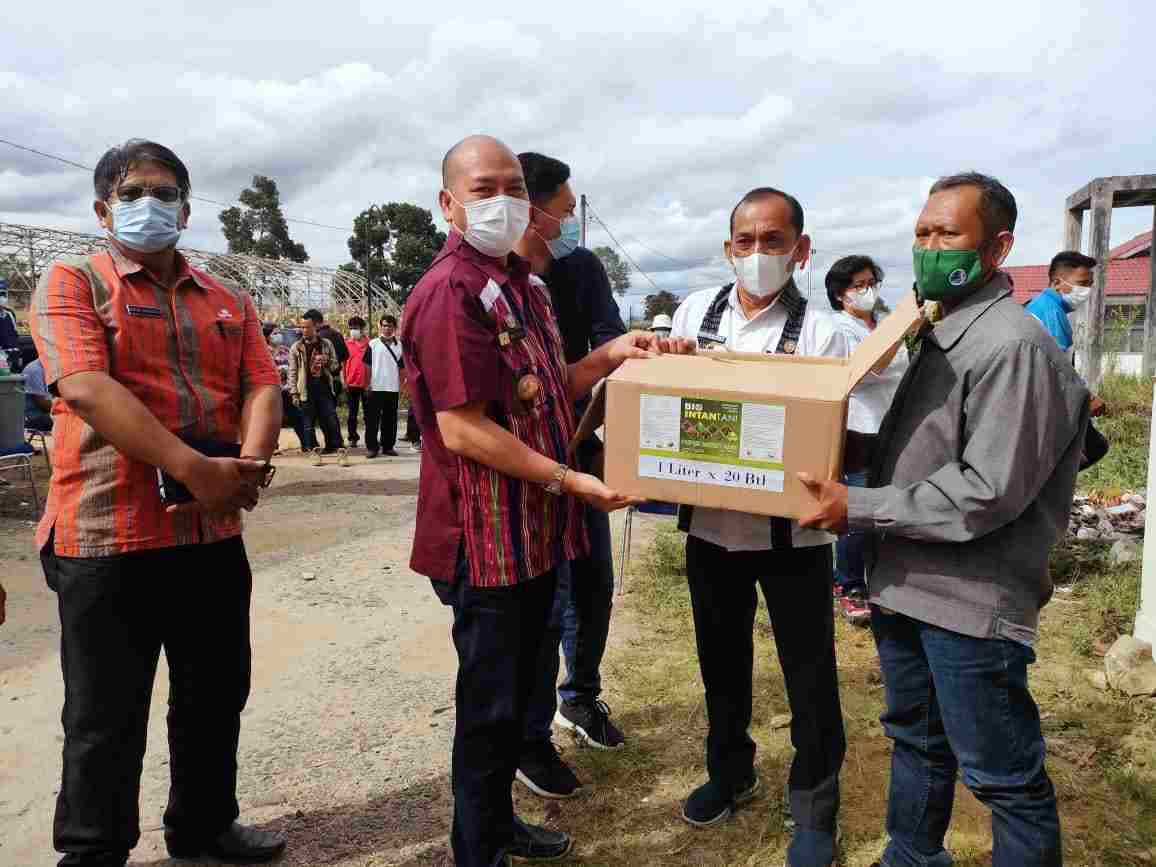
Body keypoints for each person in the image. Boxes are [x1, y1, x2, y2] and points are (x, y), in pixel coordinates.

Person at [402, 134, 684, 867]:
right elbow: (463, 428)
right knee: (489, 709)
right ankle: (479, 851)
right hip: (484, 538)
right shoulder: (447, 292)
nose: (501, 200)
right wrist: (569, 480)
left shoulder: (521, 284)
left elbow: (546, 384)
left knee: (521, 694)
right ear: (449, 203)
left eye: (512, 187)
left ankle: (498, 824)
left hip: (531, 533)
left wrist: (612, 355)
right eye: (483, 186)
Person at [800, 172, 1090, 867]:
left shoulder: (1010, 344)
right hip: (905, 582)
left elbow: (987, 489)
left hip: (968, 603)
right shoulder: (937, 330)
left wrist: (856, 506)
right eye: (922, 233)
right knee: (918, 741)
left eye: (947, 234)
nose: (928, 247)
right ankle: (912, 855)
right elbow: (930, 447)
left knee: (1001, 774)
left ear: (997, 248)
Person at [30, 139, 285, 867]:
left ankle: (204, 827)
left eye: (166, 192)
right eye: (135, 191)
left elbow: (262, 381)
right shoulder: (73, 281)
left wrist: (250, 462)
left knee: (214, 693)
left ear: (186, 205)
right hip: (107, 536)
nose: (152, 204)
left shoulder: (226, 296)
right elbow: (84, 385)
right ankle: (92, 851)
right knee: (104, 714)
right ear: (104, 207)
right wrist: (190, 465)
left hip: (209, 533)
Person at [667, 187, 849, 867]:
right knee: (720, 661)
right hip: (711, 531)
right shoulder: (694, 312)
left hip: (793, 540)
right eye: (744, 241)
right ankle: (730, 770)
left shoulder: (827, 332)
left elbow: (842, 434)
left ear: (800, 249)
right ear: (727, 249)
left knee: (809, 675)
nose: (757, 253)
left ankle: (814, 806)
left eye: (773, 241)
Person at [512, 151, 629, 803]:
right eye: (564, 208)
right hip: (523, 466)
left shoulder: (581, 270)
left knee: (593, 582)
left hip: (579, 449)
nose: (571, 219)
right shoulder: (493, 280)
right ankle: (528, 736)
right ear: (533, 209)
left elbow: (607, 351)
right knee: (544, 602)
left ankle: (579, 698)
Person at [825, 255, 907, 626]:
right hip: (859, 428)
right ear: (841, 294)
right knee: (856, 509)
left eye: (871, 282)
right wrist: (903, 330)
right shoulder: (840, 329)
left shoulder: (881, 324)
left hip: (890, 426)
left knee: (882, 506)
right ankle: (848, 584)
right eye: (858, 285)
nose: (867, 290)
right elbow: (870, 369)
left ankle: (873, 579)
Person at [1028, 251, 1108, 419]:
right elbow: (1060, 366)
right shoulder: (1051, 312)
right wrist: (1089, 399)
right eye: (1082, 283)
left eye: (1090, 284)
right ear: (1057, 282)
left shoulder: (1044, 305)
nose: (1087, 290)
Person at [289, 309, 343, 453]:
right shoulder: (296, 347)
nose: (304, 330)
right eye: (302, 327)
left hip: (324, 388)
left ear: (315, 328)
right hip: (306, 389)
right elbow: (292, 372)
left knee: (329, 419)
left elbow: (335, 366)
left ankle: (335, 446)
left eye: (307, 327)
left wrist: (327, 361)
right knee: (308, 423)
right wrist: (294, 393)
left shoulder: (326, 344)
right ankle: (313, 448)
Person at [363, 315, 404, 458]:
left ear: (394, 328)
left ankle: (388, 446)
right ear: (380, 326)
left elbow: (402, 367)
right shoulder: (373, 344)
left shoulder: (399, 346)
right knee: (372, 419)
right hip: (375, 387)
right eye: (384, 325)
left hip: (392, 387)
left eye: (390, 326)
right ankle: (372, 447)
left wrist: (403, 385)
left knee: (390, 419)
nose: (387, 329)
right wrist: (367, 384)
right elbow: (367, 365)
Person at [265, 323, 306, 451]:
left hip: (287, 389)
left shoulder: (286, 350)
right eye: (275, 333)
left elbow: (294, 367)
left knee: (296, 417)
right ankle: (271, 446)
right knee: (271, 419)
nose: (279, 336)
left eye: (279, 333)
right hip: (272, 389)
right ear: (268, 336)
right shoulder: (263, 351)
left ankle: (307, 444)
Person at [343, 316, 371, 447]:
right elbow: (343, 363)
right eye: (351, 328)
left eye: (356, 328)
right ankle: (352, 437)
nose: (353, 331)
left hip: (366, 384)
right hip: (351, 383)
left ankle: (370, 438)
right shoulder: (347, 344)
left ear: (362, 329)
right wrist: (344, 380)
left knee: (369, 414)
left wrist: (371, 383)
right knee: (352, 414)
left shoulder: (370, 344)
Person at [22, 355, 53, 432]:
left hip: (45, 413)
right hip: (34, 418)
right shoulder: (35, 370)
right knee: (67, 418)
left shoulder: (51, 367)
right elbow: (43, 404)